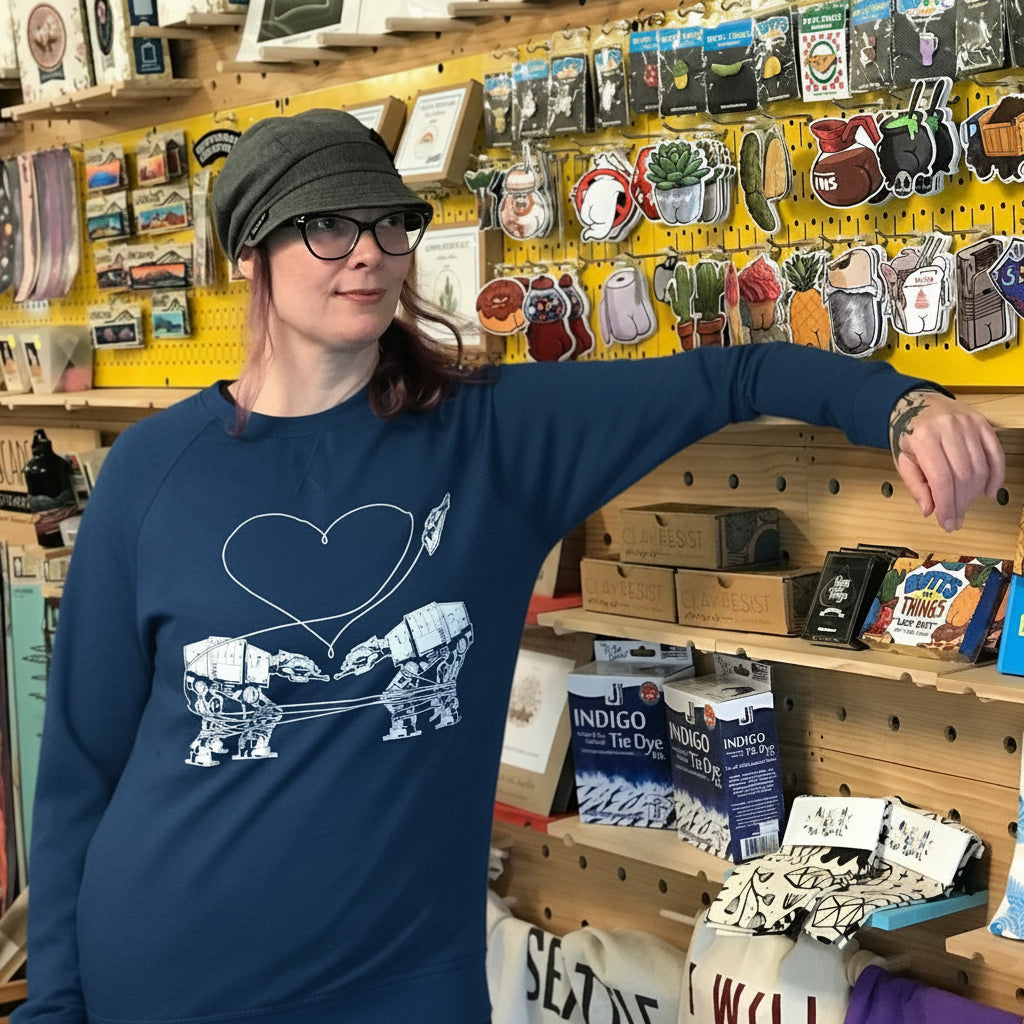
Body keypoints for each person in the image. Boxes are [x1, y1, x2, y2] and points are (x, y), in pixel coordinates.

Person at [14, 109, 1004, 1024]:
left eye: (388, 223)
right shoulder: (155, 472)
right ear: (248, 256)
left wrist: (902, 406)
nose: (366, 252)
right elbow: (78, 777)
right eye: (324, 226)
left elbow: (730, 374)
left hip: (402, 981)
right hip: (167, 973)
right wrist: (55, 1004)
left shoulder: (487, 440)